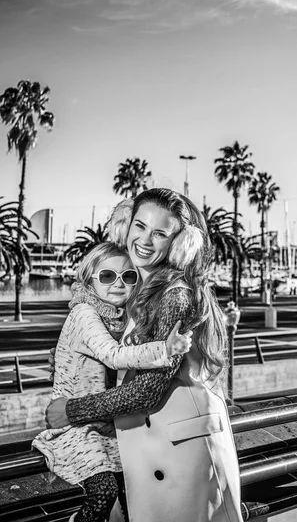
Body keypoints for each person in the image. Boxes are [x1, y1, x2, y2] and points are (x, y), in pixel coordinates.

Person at [46, 188, 243, 522]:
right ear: (126, 225)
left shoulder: (174, 295)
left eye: (160, 233)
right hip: (154, 446)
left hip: (182, 452)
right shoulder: (137, 287)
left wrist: (71, 410)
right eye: (139, 226)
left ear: (180, 243)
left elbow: (147, 389)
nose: (145, 240)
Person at [34, 242, 192, 522]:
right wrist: (164, 349)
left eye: (128, 276)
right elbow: (114, 356)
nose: (118, 283)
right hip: (75, 426)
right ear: (88, 279)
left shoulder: (119, 317)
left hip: (103, 422)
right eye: (107, 276)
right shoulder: (85, 313)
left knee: (131, 494)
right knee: (104, 492)